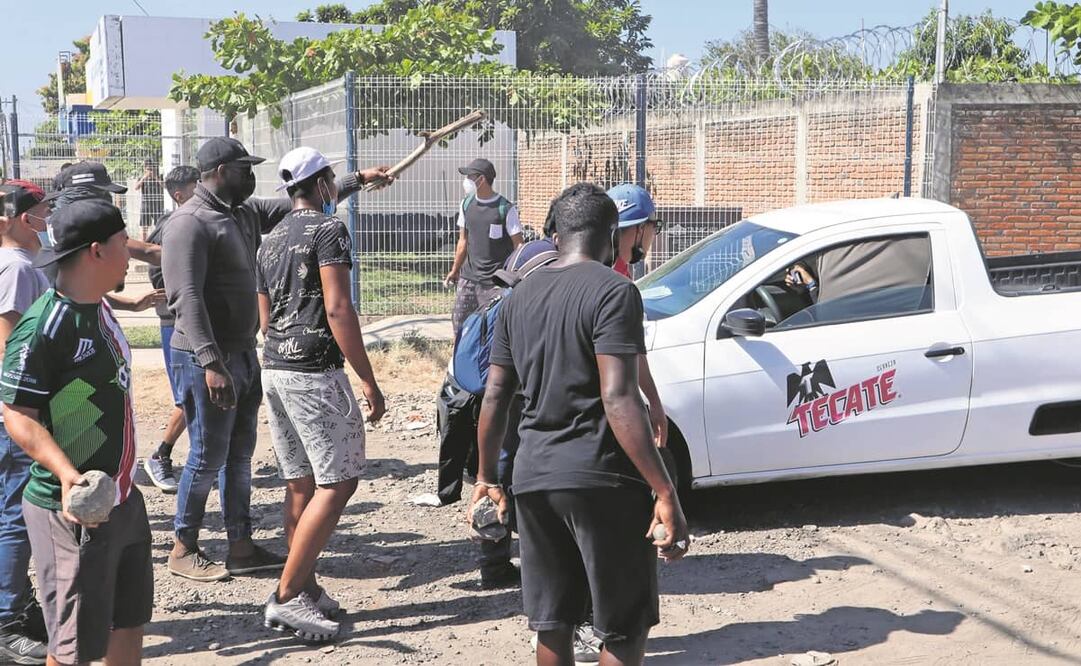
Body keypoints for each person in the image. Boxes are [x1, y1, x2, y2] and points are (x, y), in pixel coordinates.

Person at [471, 183, 689, 666]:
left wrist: (487, 479)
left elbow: (496, 396)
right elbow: (618, 396)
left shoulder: (519, 296)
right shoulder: (615, 291)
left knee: (554, 625)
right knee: (622, 629)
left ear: (555, 234)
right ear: (612, 235)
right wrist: (664, 488)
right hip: (602, 478)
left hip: (533, 477)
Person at [162, 137, 392, 583]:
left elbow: (305, 199)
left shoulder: (243, 213)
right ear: (219, 171)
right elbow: (184, 298)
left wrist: (358, 179)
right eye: (244, 168)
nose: (251, 176)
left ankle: (241, 545)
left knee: (239, 456)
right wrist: (212, 363)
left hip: (246, 353)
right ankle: (183, 546)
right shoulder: (189, 222)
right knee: (207, 455)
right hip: (204, 357)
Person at [1, 199, 153, 666]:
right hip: (72, 513)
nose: (130, 253)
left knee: (128, 622)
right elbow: (16, 413)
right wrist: (67, 474)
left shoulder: (98, 306)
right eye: (122, 243)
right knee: (73, 649)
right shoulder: (45, 326)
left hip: (121, 498)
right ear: (96, 252)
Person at [256, 147, 387, 641]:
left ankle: (305, 588)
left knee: (301, 484)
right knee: (339, 482)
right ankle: (287, 596)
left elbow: (265, 319)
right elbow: (338, 308)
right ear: (325, 183)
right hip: (314, 371)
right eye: (333, 180)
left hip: (275, 368)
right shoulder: (329, 230)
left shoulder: (268, 240)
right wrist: (368, 377)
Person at [0, 181, 52, 665]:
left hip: (16, 406)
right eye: (41, 211)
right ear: (16, 217)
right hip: (18, 408)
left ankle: (17, 605)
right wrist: (27, 410)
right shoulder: (15, 267)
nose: (48, 219)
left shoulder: (20, 264)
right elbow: (11, 343)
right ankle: (7, 621)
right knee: (16, 512)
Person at [142, 165, 200, 494]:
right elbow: (157, 273)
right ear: (180, 194)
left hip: (195, 322)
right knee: (188, 398)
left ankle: (204, 458)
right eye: (197, 187)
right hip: (175, 324)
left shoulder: (197, 221)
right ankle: (160, 455)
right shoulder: (170, 227)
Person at [443, 158, 524, 334]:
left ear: (482, 179)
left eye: (470, 176)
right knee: (459, 322)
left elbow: (519, 245)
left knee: (491, 328)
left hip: (494, 283)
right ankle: (460, 357)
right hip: (468, 278)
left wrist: (513, 276)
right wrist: (455, 269)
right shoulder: (466, 204)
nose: (467, 181)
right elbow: (462, 240)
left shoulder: (505, 209)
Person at [48, 161, 163, 267]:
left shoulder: (56, 223)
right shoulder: (82, 227)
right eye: (103, 193)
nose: (108, 200)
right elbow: (147, 252)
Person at [133, 160, 165, 231]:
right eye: (148, 169)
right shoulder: (142, 177)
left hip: (157, 204)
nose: (150, 171)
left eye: (152, 169)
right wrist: (144, 178)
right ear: (145, 169)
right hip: (145, 203)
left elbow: (164, 186)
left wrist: (156, 178)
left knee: (159, 225)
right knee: (144, 226)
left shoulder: (159, 177)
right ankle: (143, 241)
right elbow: (136, 187)